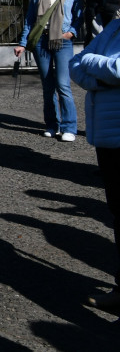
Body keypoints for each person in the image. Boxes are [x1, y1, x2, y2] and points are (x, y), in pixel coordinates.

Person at [70, 15, 120, 314]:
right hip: (108, 137)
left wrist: (92, 64)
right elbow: (76, 65)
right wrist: (101, 75)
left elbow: (114, 67)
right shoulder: (115, 26)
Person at [15, 0, 80, 142]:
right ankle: (52, 125)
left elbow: (78, 18)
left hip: (62, 42)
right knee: (47, 86)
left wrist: (71, 33)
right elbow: (29, 20)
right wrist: (22, 43)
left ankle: (69, 127)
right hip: (40, 41)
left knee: (63, 85)